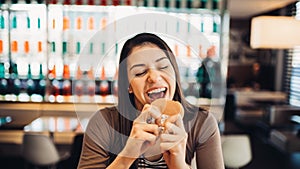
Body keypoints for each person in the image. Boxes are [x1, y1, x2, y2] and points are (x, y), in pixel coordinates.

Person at [77, 33, 224, 169]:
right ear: (128, 85)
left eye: (164, 66)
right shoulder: (103, 122)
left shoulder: (202, 123)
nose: (154, 77)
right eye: (140, 72)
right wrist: (126, 156)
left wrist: (179, 164)